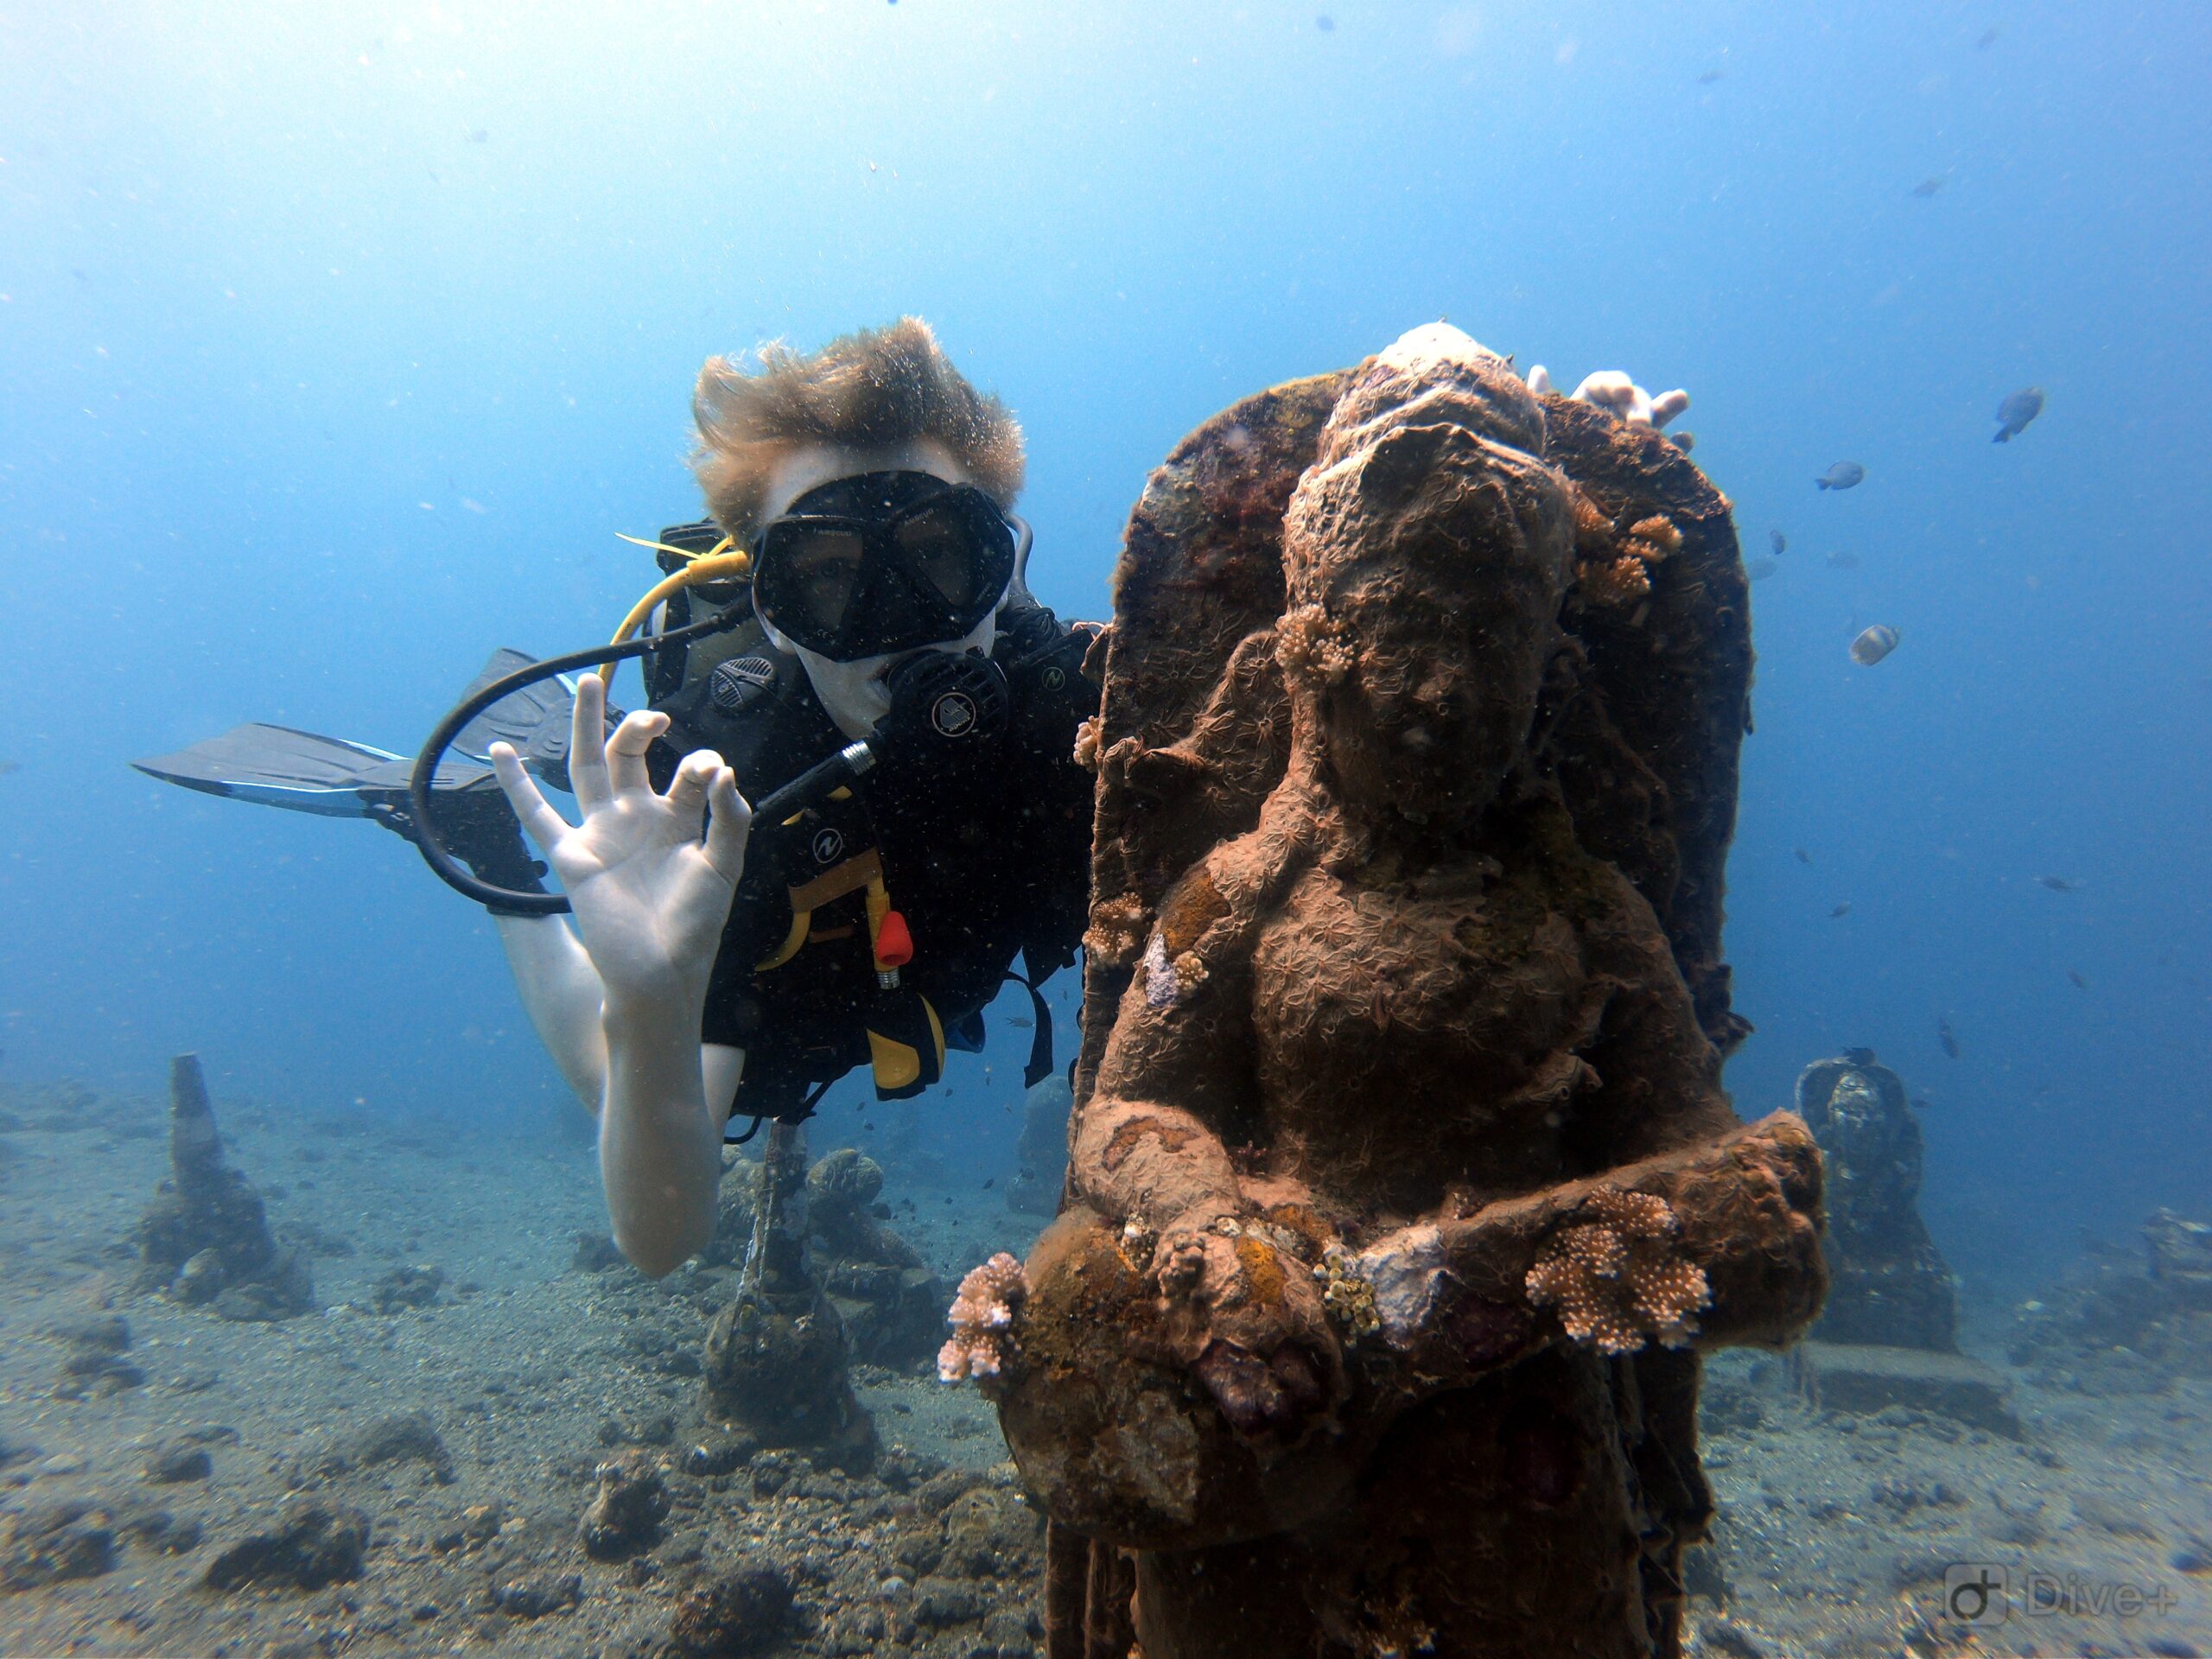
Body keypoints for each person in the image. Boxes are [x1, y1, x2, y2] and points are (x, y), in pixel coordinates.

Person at [134, 317, 1688, 1281]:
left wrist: (1564, 480)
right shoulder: (717, 791)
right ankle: (487, 820)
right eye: (829, 577)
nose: (897, 631)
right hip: (747, 986)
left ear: (999, 566)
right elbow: (663, 1233)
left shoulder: (1086, 700)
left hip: (901, 969)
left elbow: (1354, 604)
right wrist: (656, 984)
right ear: (770, 597)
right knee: (609, 1036)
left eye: (934, 563)